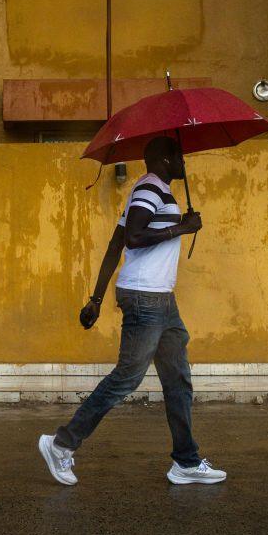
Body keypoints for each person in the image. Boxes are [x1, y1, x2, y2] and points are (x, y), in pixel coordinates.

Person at [38, 136, 226, 486]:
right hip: (146, 298)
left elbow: (114, 243)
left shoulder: (152, 190)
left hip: (160, 300)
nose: (185, 163)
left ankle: (185, 462)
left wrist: (95, 299)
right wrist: (181, 228)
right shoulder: (151, 190)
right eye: (180, 156)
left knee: (177, 379)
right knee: (127, 378)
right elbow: (134, 238)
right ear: (166, 159)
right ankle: (61, 444)